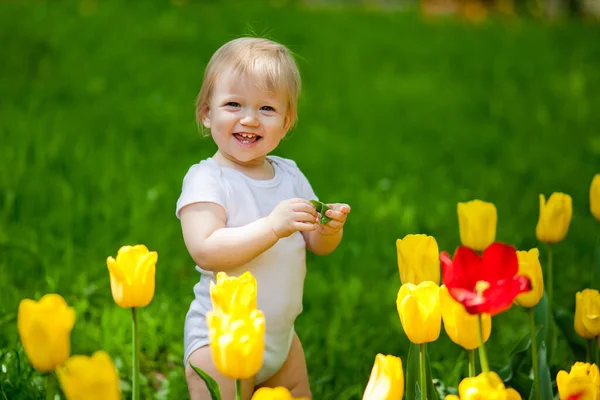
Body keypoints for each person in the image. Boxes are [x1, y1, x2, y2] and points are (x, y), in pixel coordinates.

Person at [176, 37, 351, 400]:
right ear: (207, 113)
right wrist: (272, 227)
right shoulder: (208, 179)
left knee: (296, 393)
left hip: (280, 340)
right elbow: (205, 249)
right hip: (220, 338)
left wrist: (329, 229)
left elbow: (315, 243)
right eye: (233, 104)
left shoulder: (290, 176)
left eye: (267, 109)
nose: (250, 118)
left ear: (286, 123)